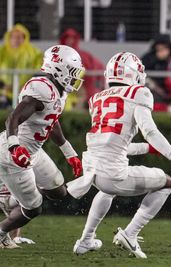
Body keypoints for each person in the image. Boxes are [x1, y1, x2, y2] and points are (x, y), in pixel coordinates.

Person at [67, 52, 171, 258]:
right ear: (133, 73)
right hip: (112, 174)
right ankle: (130, 234)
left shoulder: (97, 98)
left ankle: (85, 240)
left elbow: (116, 145)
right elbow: (151, 132)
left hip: (93, 171)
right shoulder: (139, 93)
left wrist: (148, 148)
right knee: (167, 182)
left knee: (106, 191)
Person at [0, 45, 84, 248]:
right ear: (59, 68)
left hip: (33, 153)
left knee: (58, 191)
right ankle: (2, 230)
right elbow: (14, 117)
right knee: (33, 209)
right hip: (13, 153)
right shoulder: (42, 88)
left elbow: (50, 121)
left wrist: (69, 153)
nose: (75, 78)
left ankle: (8, 196)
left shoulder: (59, 91)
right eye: (72, 72)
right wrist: (14, 147)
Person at [59, 28, 105, 110]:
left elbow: (100, 68)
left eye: (72, 39)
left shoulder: (84, 56)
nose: (69, 41)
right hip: (65, 94)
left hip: (81, 93)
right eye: (67, 38)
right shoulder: (58, 56)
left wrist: (101, 87)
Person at [0, 24, 43, 108]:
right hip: (3, 91)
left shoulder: (34, 52)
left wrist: (26, 85)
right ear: (9, 38)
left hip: (26, 92)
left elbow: (39, 71)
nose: (16, 40)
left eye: (19, 37)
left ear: (24, 38)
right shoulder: (2, 51)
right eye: (14, 37)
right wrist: (3, 85)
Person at [141, 34, 171, 111]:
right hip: (154, 92)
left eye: (164, 47)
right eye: (159, 46)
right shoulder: (148, 58)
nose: (161, 49)